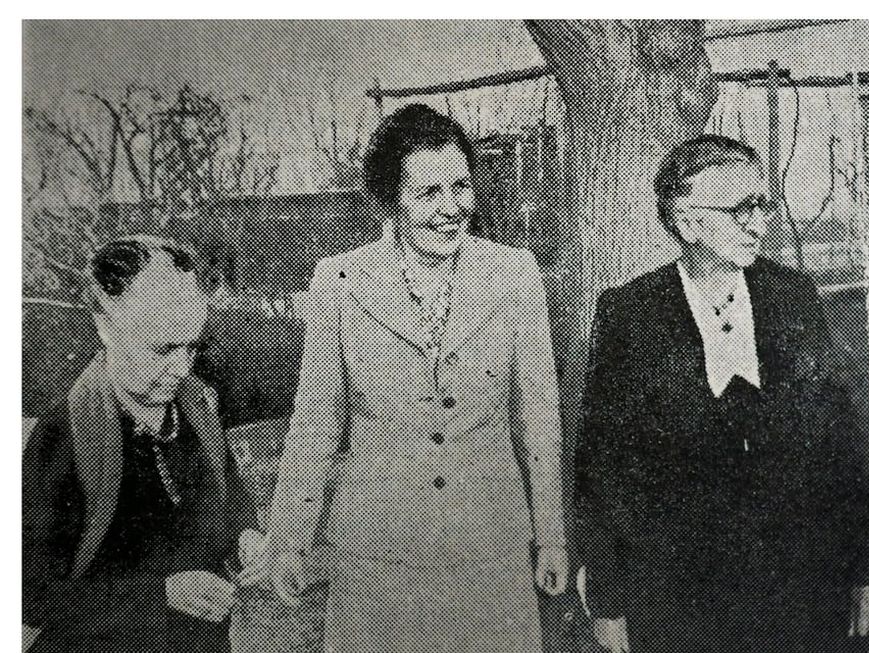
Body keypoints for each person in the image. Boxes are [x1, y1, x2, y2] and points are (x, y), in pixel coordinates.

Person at [239, 103, 568, 652]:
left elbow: (538, 416)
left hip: (489, 537)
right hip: (378, 543)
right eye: (428, 194)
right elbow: (315, 425)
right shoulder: (342, 278)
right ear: (391, 201)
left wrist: (551, 534)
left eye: (460, 187)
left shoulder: (514, 273)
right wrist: (289, 536)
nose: (452, 208)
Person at [576, 134, 869, 652]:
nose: (758, 222)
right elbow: (604, 470)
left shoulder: (793, 296)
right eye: (740, 208)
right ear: (687, 221)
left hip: (798, 594)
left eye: (762, 204)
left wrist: (868, 571)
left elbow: (843, 442)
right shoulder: (630, 316)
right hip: (681, 602)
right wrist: (609, 604)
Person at [23, 236, 256, 653]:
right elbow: (29, 594)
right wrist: (160, 595)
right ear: (105, 325)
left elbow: (228, 501)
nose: (182, 368)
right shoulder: (65, 434)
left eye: (192, 347)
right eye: (163, 349)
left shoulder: (197, 405)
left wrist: (247, 538)